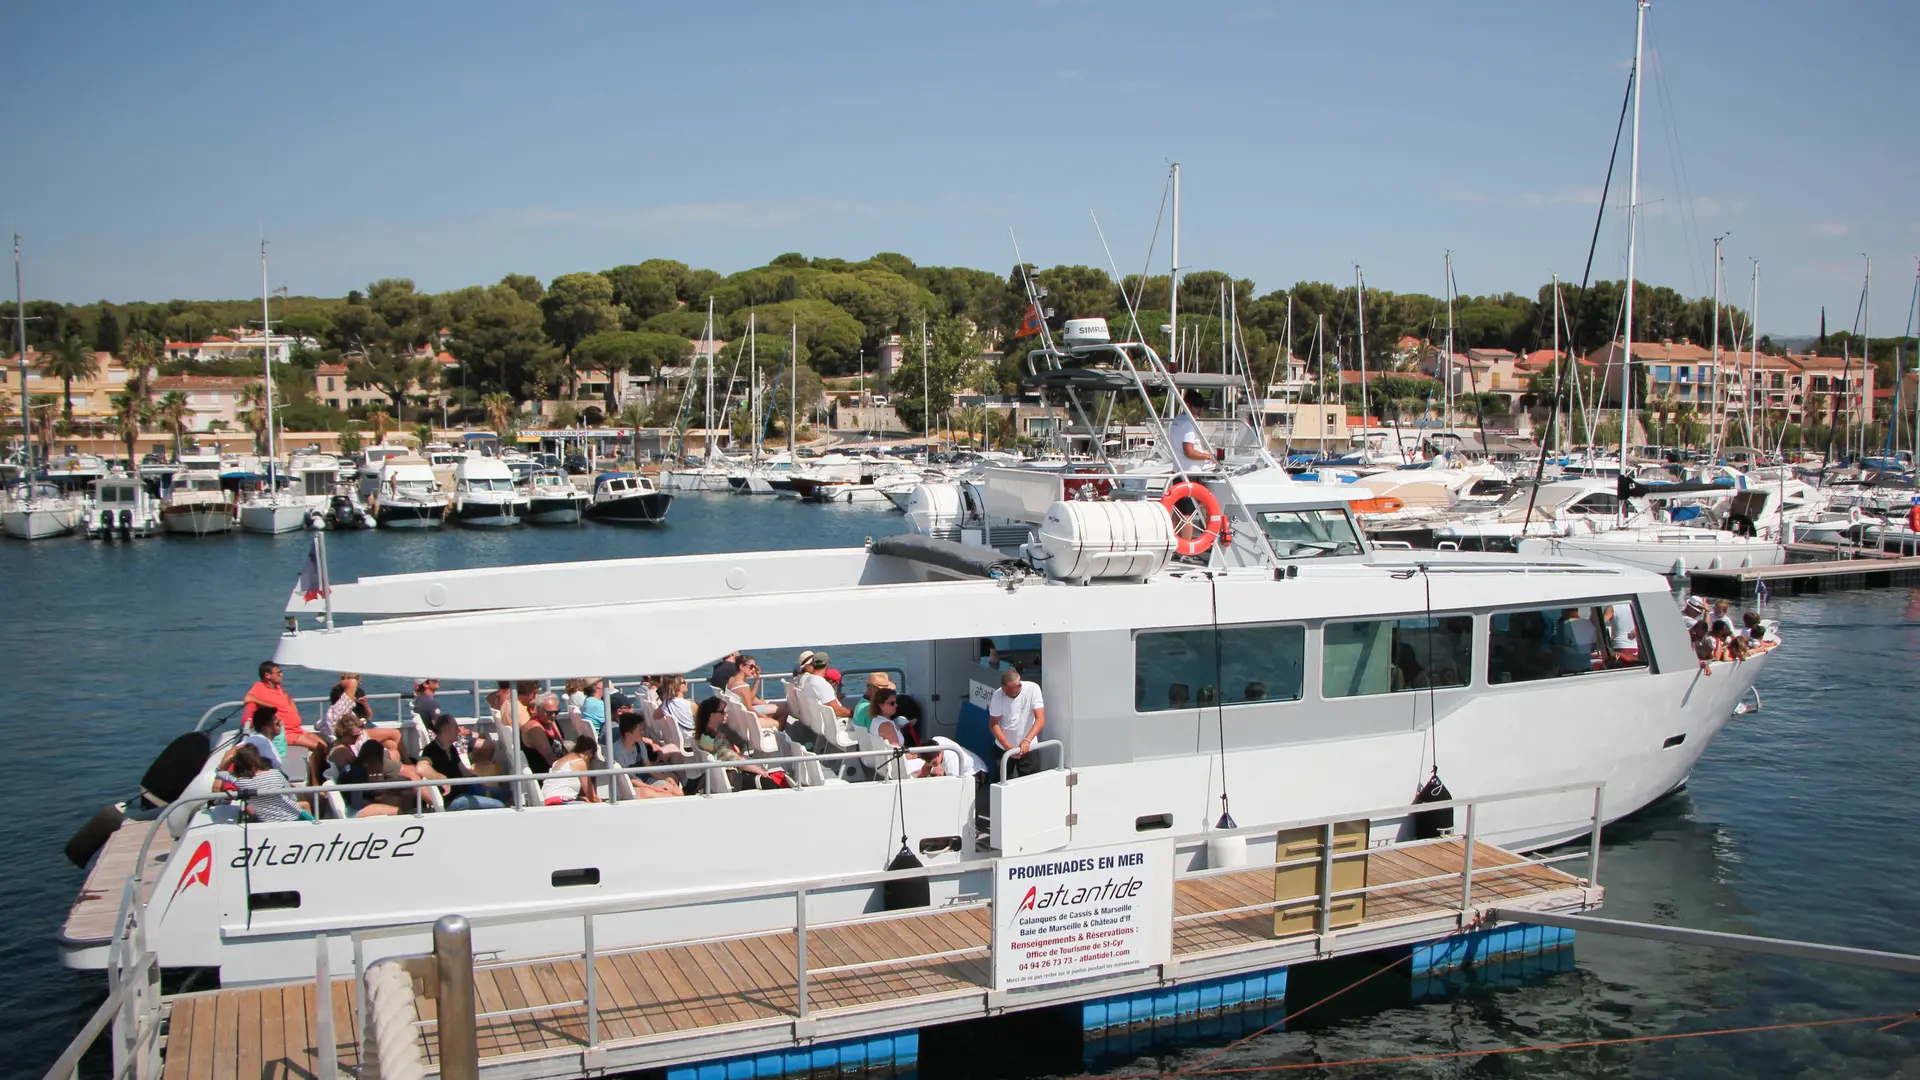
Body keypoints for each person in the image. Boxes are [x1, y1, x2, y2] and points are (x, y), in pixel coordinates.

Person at [419, 714, 504, 811]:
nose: (459, 731)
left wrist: (480, 784)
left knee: (507, 794)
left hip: (464, 789)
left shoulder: (451, 748)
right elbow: (421, 768)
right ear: (447, 730)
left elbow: (464, 771)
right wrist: (441, 778)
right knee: (499, 805)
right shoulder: (431, 750)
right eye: (455, 728)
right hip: (452, 800)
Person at [243, 661, 325, 757]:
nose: (281, 674)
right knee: (320, 748)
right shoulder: (258, 688)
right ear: (267, 675)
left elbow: (287, 699)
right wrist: (267, 705)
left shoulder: (277, 687)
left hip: (297, 729)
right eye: (278, 673)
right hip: (287, 732)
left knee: (325, 745)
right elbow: (248, 698)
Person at [219, 743, 307, 822]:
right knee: (307, 809)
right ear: (257, 759)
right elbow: (292, 796)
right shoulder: (275, 773)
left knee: (250, 807)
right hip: (293, 817)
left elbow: (218, 772)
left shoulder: (239, 781)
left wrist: (231, 759)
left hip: (266, 821)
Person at [988, 667, 1046, 778]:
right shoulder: (998, 694)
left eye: (1008, 691)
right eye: (1003, 691)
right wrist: (1006, 746)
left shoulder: (1033, 689)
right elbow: (993, 723)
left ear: (1018, 686)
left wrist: (1027, 740)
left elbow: (1040, 719)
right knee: (1000, 784)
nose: (1005, 694)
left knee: (1030, 783)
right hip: (1003, 749)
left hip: (1029, 748)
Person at [540, 734, 602, 805]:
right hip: (559, 802)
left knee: (585, 801)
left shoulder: (559, 761)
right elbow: (592, 797)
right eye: (592, 758)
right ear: (589, 752)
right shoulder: (579, 762)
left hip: (548, 800)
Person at [520, 692, 566, 773]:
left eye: (556, 712)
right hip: (546, 774)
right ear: (538, 710)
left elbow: (562, 743)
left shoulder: (549, 721)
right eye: (549, 713)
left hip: (557, 766)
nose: (553, 716)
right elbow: (550, 758)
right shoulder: (535, 728)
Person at [798, 652, 851, 719]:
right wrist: (853, 713)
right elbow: (836, 710)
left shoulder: (808, 680)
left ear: (813, 664)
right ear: (827, 665)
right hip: (838, 723)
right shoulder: (822, 684)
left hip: (818, 721)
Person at [1167, 389, 1213, 464]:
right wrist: (1209, 456)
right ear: (1187, 405)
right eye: (1197, 406)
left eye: (1201, 406)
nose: (1200, 409)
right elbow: (1189, 452)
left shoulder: (1178, 419)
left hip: (1181, 468)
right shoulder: (1188, 423)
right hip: (1191, 472)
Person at [914, 735, 985, 780]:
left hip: (975, 772)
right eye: (928, 763)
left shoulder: (951, 762)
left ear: (940, 752)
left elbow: (952, 788)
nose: (931, 765)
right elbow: (925, 770)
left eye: (934, 763)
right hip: (956, 768)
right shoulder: (936, 740)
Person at [1553, 608, 1597, 675]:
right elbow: (1593, 646)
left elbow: (1558, 646)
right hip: (1587, 667)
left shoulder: (1564, 626)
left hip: (1570, 669)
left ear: (1564, 611)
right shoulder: (1589, 624)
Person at [657, 675, 697, 742]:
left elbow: (655, 716)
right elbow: (703, 723)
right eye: (684, 682)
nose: (686, 683)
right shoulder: (691, 705)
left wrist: (665, 700)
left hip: (677, 741)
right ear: (677, 686)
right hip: (692, 741)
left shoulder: (666, 704)